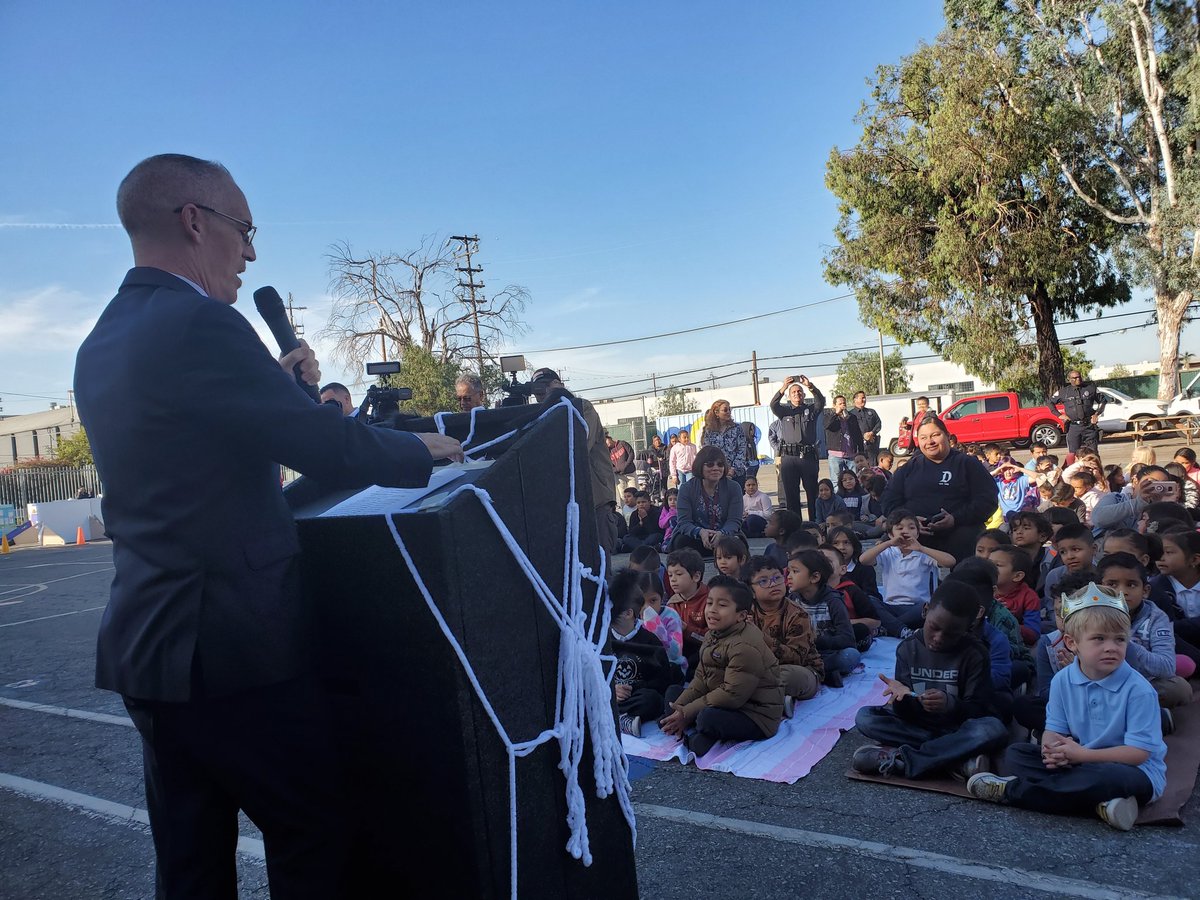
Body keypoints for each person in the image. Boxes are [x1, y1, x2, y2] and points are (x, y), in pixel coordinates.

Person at [75, 153, 465, 896]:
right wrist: (421, 448)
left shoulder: (104, 340)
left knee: (191, 859)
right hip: (233, 647)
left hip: (151, 646)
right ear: (195, 221)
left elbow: (190, 459)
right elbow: (325, 445)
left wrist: (274, 390)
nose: (251, 252)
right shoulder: (202, 323)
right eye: (244, 230)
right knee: (313, 834)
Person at [968, 582, 1167, 831]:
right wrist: (1051, 750)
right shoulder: (1064, 678)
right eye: (1099, 639)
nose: (1111, 647)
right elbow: (1054, 729)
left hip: (1130, 770)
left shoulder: (1139, 690)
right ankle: (1101, 805)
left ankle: (1014, 791)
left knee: (1109, 777)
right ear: (1072, 643)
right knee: (1017, 755)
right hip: (1080, 761)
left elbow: (1139, 754)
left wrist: (1082, 755)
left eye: (1120, 639)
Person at [852, 581, 1008, 781]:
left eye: (952, 634)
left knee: (991, 728)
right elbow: (906, 713)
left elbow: (980, 709)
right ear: (925, 611)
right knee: (865, 717)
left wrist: (950, 704)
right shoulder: (907, 649)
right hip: (921, 727)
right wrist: (901, 697)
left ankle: (905, 760)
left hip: (957, 727)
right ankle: (955, 758)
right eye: (934, 627)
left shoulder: (975, 654)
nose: (938, 638)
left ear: (969, 628)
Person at [659, 575, 784, 758]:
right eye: (710, 603)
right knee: (673, 694)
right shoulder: (713, 635)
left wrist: (688, 712)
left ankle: (696, 733)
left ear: (741, 616)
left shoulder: (745, 646)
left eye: (722, 605)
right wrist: (680, 708)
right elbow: (701, 679)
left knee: (706, 718)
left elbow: (731, 695)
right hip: (719, 700)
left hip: (753, 713)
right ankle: (689, 730)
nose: (712, 610)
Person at [530, 368, 617, 569]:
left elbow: (578, 445)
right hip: (564, 505)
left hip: (594, 501)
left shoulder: (582, 407)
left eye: (546, 385)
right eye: (537, 389)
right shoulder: (541, 414)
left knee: (600, 568)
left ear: (559, 384)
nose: (541, 392)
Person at [881, 415, 999, 563]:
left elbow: (988, 500)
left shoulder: (968, 464)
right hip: (916, 533)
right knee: (888, 542)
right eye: (923, 438)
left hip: (960, 531)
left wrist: (955, 519)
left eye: (935, 435)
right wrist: (909, 521)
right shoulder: (909, 468)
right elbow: (888, 501)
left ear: (947, 436)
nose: (929, 442)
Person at [1099, 553, 1193, 717]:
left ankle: (1124, 712)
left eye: (1131, 585)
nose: (1122, 592)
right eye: (1112, 584)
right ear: (1099, 588)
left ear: (1145, 591)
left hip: (1140, 682)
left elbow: (1167, 667)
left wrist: (1124, 643)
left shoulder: (1157, 618)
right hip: (1098, 680)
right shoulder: (1091, 614)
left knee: (1179, 689)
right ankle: (1148, 715)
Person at [744, 555, 823, 710]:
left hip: (802, 670)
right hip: (759, 669)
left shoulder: (797, 614)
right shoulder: (746, 612)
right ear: (751, 591)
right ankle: (774, 701)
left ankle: (761, 701)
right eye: (763, 581)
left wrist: (759, 636)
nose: (773, 584)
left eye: (777, 578)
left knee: (780, 676)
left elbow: (796, 658)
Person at [860, 509, 956, 632]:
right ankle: (901, 629)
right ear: (890, 534)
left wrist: (921, 548)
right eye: (899, 529)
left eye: (911, 528)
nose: (905, 531)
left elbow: (950, 561)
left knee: (928, 608)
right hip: (891, 607)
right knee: (870, 600)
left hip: (917, 607)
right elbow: (863, 560)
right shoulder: (888, 553)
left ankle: (892, 627)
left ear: (917, 533)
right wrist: (888, 543)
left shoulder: (923, 554)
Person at [608, 569, 674, 738]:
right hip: (610, 694)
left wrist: (633, 688)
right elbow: (595, 673)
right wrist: (611, 690)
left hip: (637, 696)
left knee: (652, 700)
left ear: (628, 613)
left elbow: (663, 680)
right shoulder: (603, 641)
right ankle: (620, 718)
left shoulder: (649, 640)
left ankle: (617, 717)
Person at [787, 549, 859, 687]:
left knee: (850, 656)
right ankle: (823, 674)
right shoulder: (792, 600)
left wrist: (816, 640)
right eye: (789, 572)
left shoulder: (833, 601)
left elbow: (848, 639)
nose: (789, 577)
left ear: (814, 577)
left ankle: (815, 672)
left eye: (795, 572)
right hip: (801, 653)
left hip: (826, 654)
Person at [769, 375, 825, 521]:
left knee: (812, 492)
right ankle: (795, 526)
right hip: (789, 458)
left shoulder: (811, 410)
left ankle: (814, 523)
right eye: (793, 392)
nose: (797, 394)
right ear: (789, 396)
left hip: (808, 457)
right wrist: (783, 388)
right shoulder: (784, 411)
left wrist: (810, 386)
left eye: (799, 392)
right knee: (791, 494)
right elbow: (773, 405)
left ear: (804, 394)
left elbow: (821, 401)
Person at [671, 445, 745, 555]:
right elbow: (684, 522)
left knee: (738, 543)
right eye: (710, 464)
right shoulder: (686, 488)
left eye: (720, 464)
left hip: (725, 536)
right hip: (696, 537)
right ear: (700, 466)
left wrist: (721, 533)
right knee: (681, 542)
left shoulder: (734, 487)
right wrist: (700, 532)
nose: (715, 468)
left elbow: (735, 520)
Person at [666, 547, 710, 671]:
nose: (673, 579)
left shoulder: (710, 600)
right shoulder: (672, 603)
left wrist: (687, 630)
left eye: (679, 574)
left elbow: (713, 637)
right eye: (670, 575)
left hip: (702, 652)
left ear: (696, 576)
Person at [1047, 369, 1106, 456]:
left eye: (1079, 377)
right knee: (1073, 455)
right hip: (1073, 427)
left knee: (1093, 454)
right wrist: (1059, 415)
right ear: (1069, 379)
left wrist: (1096, 414)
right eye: (1074, 378)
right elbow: (1050, 402)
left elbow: (1103, 401)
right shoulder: (1064, 392)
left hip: (1089, 426)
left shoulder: (1090, 388)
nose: (1078, 379)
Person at [990, 546, 1041, 645]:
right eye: (988, 563)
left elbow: (1033, 633)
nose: (989, 568)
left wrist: (1005, 619)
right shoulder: (980, 590)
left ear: (1017, 576)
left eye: (997, 565)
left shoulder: (1029, 597)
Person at [699, 399, 751, 489]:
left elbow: (742, 450)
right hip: (716, 474)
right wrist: (716, 468)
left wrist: (732, 469)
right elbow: (707, 451)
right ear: (716, 412)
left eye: (730, 409)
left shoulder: (737, 428)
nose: (728, 412)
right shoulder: (709, 430)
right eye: (725, 410)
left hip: (736, 474)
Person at [823, 394, 864, 481]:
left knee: (853, 479)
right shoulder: (829, 416)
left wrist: (861, 451)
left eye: (844, 403)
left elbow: (858, 434)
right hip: (835, 455)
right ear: (834, 405)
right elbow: (827, 425)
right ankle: (838, 494)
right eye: (840, 404)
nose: (842, 405)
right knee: (836, 480)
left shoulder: (851, 417)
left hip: (850, 454)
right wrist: (836, 414)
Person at [850, 391, 883, 466]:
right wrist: (863, 436)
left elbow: (878, 424)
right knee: (860, 467)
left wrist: (872, 433)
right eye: (862, 398)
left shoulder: (871, 412)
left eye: (865, 398)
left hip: (872, 445)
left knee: (873, 466)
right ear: (855, 400)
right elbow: (849, 430)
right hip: (858, 446)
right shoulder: (851, 414)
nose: (864, 400)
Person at [606, 432, 637, 500]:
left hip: (630, 473)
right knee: (623, 496)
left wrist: (625, 465)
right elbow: (607, 464)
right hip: (619, 476)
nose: (606, 443)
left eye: (606, 440)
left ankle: (635, 509)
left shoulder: (622, 443)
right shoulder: (607, 451)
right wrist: (615, 470)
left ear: (609, 438)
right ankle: (625, 510)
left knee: (634, 494)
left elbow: (631, 454)